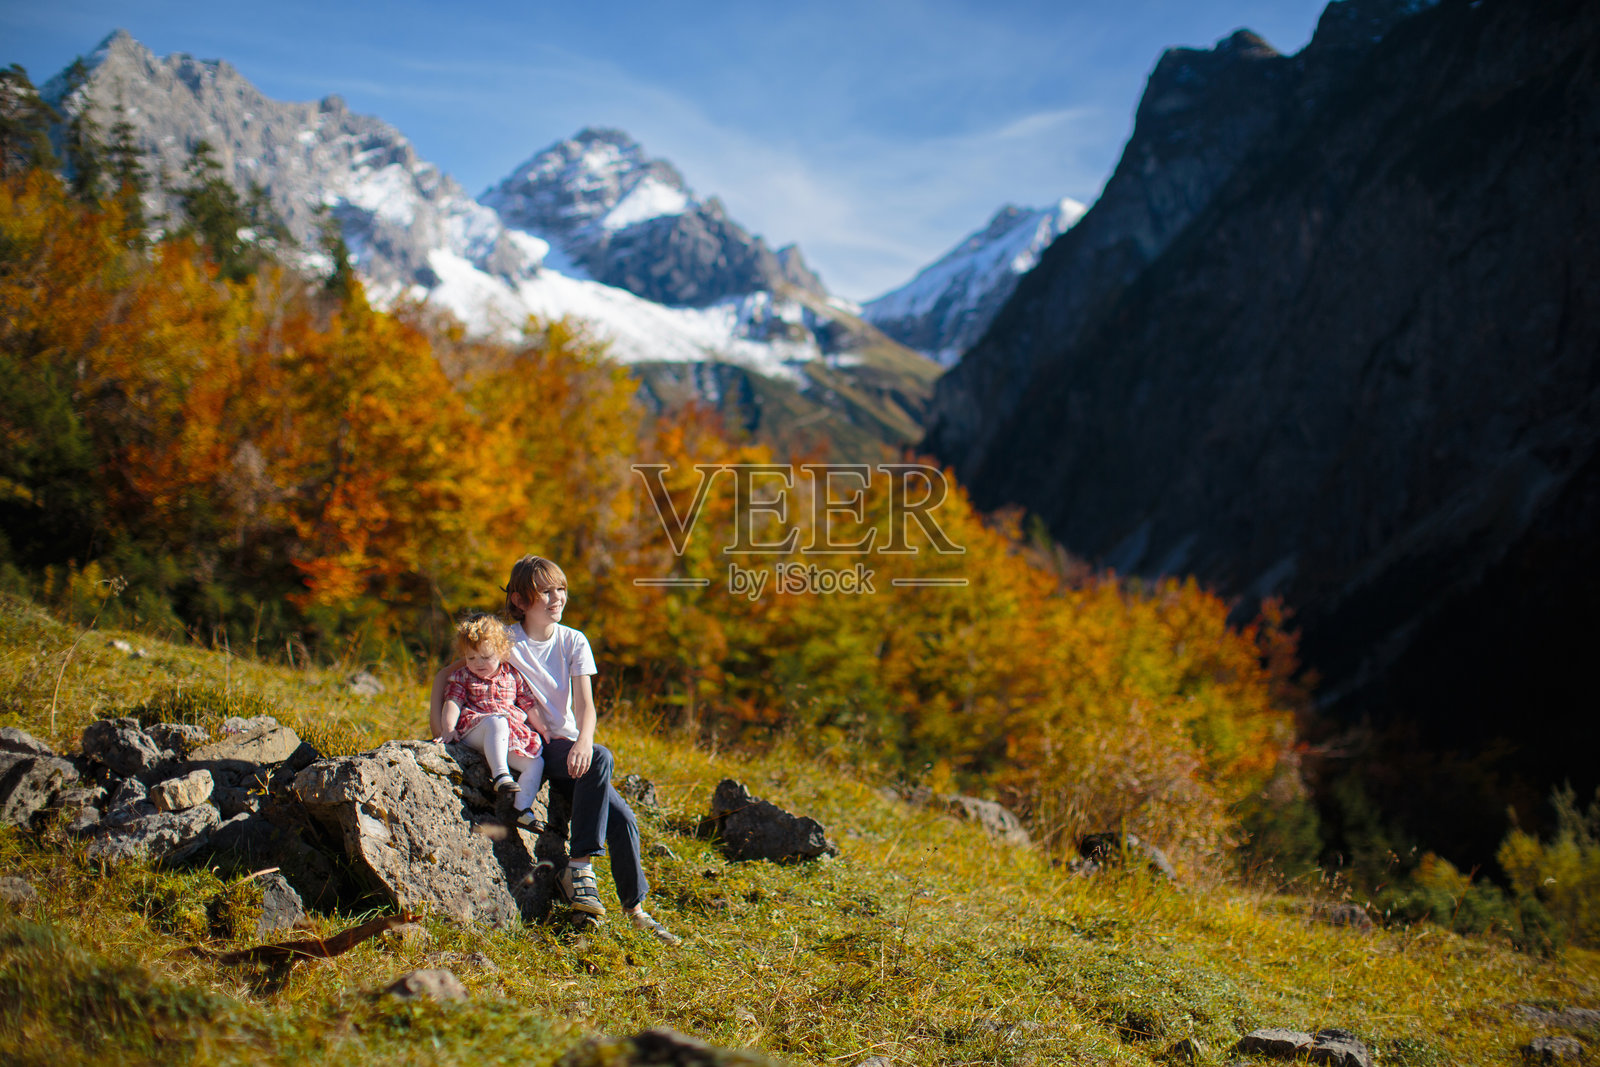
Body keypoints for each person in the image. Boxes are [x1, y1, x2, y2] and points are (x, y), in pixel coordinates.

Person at [430, 555, 679, 945]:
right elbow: (451, 673)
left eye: (560, 588)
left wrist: (582, 739)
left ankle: (636, 910)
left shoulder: (573, 640)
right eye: (545, 591)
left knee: (624, 818)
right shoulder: (506, 639)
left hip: (565, 747)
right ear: (520, 599)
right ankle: (578, 866)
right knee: (601, 758)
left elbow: (586, 706)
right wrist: (440, 729)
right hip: (528, 745)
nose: (556, 597)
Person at [435, 613, 546, 827]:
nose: (478, 663)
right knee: (496, 721)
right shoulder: (463, 676)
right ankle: (500, 775)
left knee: (535, 762)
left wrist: (544, 730)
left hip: (507, 734)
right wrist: (447, 729)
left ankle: (522, 809)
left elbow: (528, 703)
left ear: (502, 653)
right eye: (471, 658)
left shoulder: (513, 675)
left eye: (486, 657)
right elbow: (452, 702)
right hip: (477, 728)